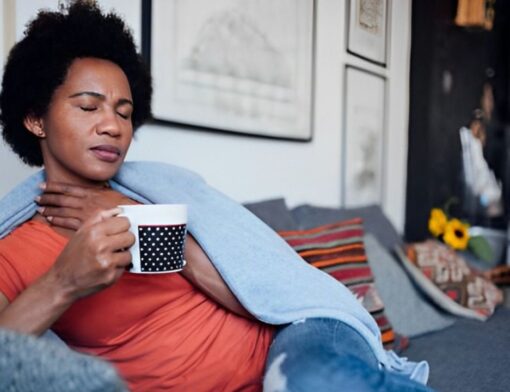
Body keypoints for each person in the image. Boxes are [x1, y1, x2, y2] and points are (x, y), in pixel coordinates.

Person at [0, 2, 432, 391]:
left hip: (294, 337)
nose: (113, 125)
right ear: (37, 118)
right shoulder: (16, 252)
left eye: (124, 112)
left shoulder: (153, 196)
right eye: (89, 107)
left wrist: (136, 220)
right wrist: (62, 283)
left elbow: (260, 295)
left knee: (311, 382)